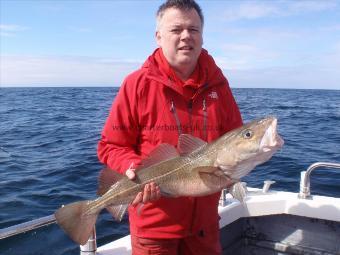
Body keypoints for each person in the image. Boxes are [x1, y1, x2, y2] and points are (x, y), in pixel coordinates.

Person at [97, 0, 243, 254]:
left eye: (194, 29)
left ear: (202, 36)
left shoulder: (219, 85)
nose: (186, 36)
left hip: (205, 227)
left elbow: (235, 140)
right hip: (154, 229)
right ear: (158, 36)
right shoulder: (136, 85)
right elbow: (111, 146)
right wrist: (133, 167)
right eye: (176, 30)